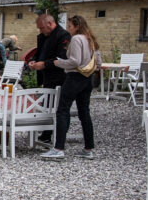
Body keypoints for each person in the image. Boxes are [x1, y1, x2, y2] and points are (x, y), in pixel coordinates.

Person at [41, 15, 100, 160]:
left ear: (77, 26)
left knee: (62, 110)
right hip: (88, 79)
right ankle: (88, 148)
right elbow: (98, 61)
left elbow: (74, 61)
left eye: (70, 27)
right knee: (84, 112)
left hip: (74, 77)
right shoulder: (91, 39)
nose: (69, 30)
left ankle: (58, 148)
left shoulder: (76, 39)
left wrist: (58, 63)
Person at [28, 14, 71, 143]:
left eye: (41, 28)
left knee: (60, 107)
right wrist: (33, 61)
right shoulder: (43, 37)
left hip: (59, 77)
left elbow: (62, 57)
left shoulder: (63, 36)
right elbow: (39, 52)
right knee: (46, 105)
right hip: (47, 77)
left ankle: (60, 135)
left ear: (50, 24)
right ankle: (46, 134)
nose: (40, 31)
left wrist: (44, 64)